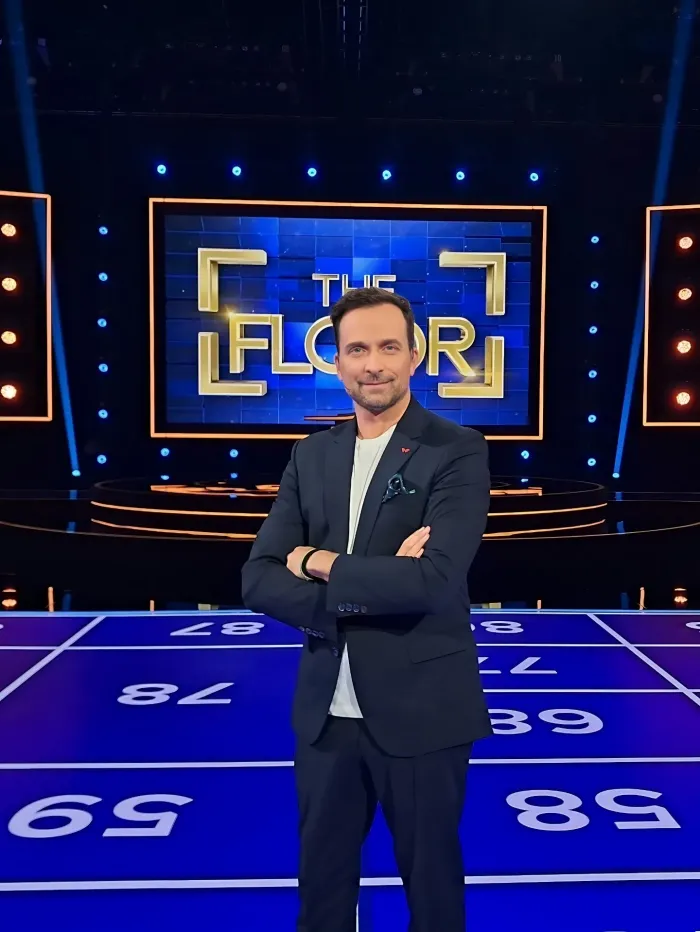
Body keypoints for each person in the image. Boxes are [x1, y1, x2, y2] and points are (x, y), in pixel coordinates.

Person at [241, 287, 492, 932]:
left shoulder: (457, 449)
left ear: (414, 356)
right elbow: (259, 578)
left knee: (433, 894)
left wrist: (316, 560)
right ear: (337, 361)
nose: (373, 363)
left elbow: (432, 582)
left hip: (424, 710)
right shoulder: (312, 454)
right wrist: (377, 582)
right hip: (326, 715)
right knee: (322, 893)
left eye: (388, 347)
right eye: (356, 349)